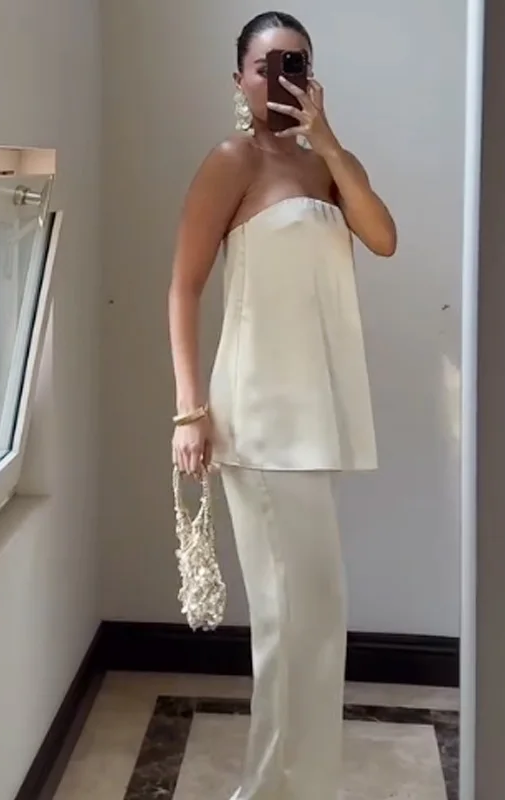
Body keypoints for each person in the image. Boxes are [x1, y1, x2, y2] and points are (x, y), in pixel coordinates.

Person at [168, 10, 396, 799]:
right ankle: (268, 790)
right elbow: (183, 286)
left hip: (311, 417)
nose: (277, 78)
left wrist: (328, 144)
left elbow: (383, 237)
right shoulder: (231, 161)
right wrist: (190, 409)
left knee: (315, 619)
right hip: (258, 418)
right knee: (288, 624)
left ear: (312, 75)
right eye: (263, 65)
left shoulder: (329, 165)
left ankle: (303, 787)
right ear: (238, 80)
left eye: (293, 62)